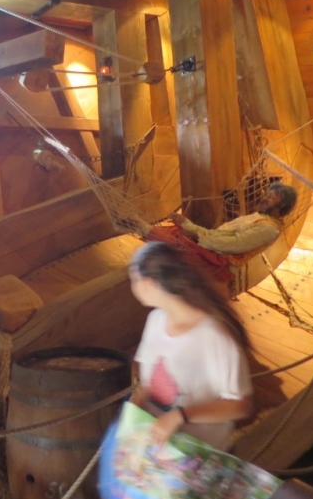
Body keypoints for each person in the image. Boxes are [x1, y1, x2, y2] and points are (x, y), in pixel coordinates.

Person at [128, 242, 254, 451]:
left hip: (199, 454)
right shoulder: (156, 320)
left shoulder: (214, 335)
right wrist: (133, 410)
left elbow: (241, 406)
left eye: (133, 279)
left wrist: (180, 415)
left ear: (148, 283)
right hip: (159, 450)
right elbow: (149, 383)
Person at [168, 182, 298, 257]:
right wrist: (185, 223)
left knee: (167, 242)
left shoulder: (268, 229)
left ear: (281, 206)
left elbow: (234, 244)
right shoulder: (261, 218)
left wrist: (199, 237)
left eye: (270, 198)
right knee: (170, 233)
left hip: (219, 258)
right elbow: (215, 234)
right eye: (266, 195)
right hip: (212, 247)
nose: (264, 198)